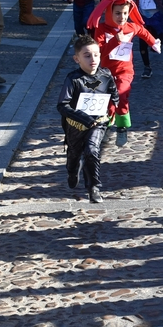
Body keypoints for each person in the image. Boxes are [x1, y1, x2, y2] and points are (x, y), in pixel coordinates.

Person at [89, 0, 162, 134]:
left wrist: (154, 43)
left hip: (125, 71)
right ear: (109, 12)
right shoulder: (101, 30)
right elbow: (100, 51)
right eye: (117, 13)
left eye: (125, 13)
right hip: (105, 72)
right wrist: (115, 41)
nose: (121, 17)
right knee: (108, 96)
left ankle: (122, 123)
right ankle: (109, 117)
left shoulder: (130, 27)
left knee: (122, 93)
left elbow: (142, 31)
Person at [57, 34, 119, 203]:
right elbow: (62, 105)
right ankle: (72, 170)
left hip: (98, 123)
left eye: (96, 54)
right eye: (87, 55)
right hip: (75, 125)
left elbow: (114, 94)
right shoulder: (73, 79)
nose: (93, 59)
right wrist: (83, 118)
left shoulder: (106, 75)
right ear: (76, 59)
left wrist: (113, 107)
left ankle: (93, 187)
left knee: (92, 151)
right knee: (74, 154)